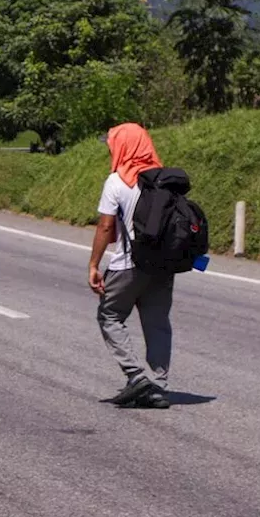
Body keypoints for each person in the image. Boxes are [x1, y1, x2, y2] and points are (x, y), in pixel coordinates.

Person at [88, 123, 174, 410]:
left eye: (111, 143)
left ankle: (136, 376)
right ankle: (158, 385)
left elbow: (105, 227)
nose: (109, 148)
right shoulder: (165, 179)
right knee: (157, 323)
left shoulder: (117, 182)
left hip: (128, 265)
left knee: (110, 315)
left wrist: (93, 265)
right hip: (163, 266)